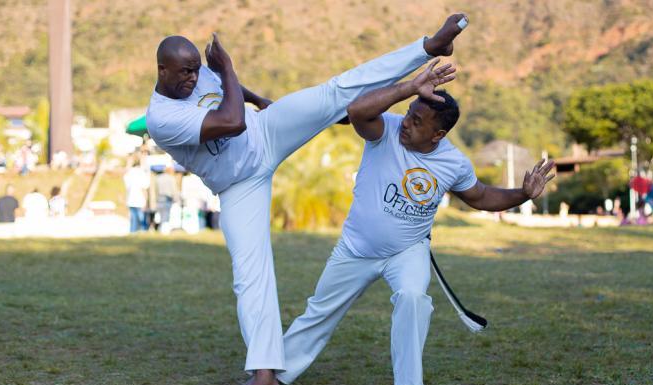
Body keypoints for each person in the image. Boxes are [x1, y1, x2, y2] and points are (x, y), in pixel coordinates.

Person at [145, 15, 467, 385]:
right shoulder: (161, 118)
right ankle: (265, 371)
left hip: (264, 133)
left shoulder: (201, 73)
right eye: (185, 73)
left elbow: (229, 91)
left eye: (195, 70)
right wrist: (227, 66)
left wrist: (265, 102)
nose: (192, 79)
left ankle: (428, 47)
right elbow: (231, 120)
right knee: (252, 274)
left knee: (335, 91)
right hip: (238, 184)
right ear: (162, 69)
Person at [277, 71, 555, 385]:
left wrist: (522, 194)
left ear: (437, 135)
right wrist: (409, 87)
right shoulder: (386, 131)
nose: (407, 122)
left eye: (418, 121)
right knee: (318, 312)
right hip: (355, 248)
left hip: (407, 251)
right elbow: (357, 111)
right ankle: (274, 377)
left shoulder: (454, 163)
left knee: (412, 298)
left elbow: (480, 196)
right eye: (410, 113)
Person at [123, 160, 150, 232]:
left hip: (131, 200)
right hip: (140, 200)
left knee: (133, 219)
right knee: (141, 219)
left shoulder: (129, 173)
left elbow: (127, 188)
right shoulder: (142, 173)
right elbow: (144, 189)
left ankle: (132, 233)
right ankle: (143, 233)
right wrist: (146, 201)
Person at [155, 165, 177, 234]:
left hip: (159, 198)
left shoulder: (158, 178)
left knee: (161, 215)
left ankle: (161, 229)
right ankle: (164, 231)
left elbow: (156, 189)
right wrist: (176, 199)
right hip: (167, 198)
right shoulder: (171, 178)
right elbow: (174, 190)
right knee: (166, 215)